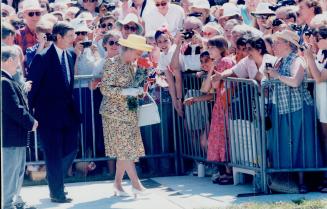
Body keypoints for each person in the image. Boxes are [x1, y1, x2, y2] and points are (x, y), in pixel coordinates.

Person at [27, 21, 81, 203]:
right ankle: (56, 192)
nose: (74, 40)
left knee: (72, 149)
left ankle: (54, 178)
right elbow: (32, 88)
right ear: (58, 37)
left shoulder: (72, 55)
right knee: (53, 154)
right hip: (47, 116)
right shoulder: (42, 57)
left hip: (68, 114)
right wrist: (30, 115)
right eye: (70, 36)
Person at [99, 34, 153, 198]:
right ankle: (136, 185)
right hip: (114, 113)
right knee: (126, 150)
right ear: (129, 49)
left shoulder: (133, 65)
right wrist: (125, 91)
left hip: (129, 113)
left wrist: (139, 91)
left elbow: (134, 89)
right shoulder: (111, 63)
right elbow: (105, 89)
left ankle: (117, 184)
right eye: (137, 53)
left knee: (125, 149)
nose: (138, 57)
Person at [267, 30, 316, 193]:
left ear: (289, 44)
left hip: (298, 109)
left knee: (301, 145)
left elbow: (295, 82)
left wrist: (276, 75)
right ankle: (289, 182)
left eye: (278, 42)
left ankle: (303, 183)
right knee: (287, 146)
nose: (274, 45)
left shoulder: (297, 60)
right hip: (282, 109)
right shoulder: (279, 61)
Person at [2, 46, 38, 209]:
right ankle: (8, 204)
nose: (19, 61)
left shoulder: (9, 80)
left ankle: (15, 200)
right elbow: (14, 108)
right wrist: (31, 122)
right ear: (9, 60)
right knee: (10, 172)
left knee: (17, 171)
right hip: (10, 136)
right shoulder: (4, 82)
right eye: (17, 58)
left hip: (16, 135)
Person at [201, 36, 235, 184]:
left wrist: (213, 68)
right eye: (209, 48)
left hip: (225, 103)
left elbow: (213, 86)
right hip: (220, 103)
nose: (210, 51)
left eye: (212, 48)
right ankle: (224, 171)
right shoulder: (218, 62)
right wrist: (211, 69)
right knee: (220, 138)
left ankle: (228, 172)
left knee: (225, 138)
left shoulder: (225, 62)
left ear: (221, 48)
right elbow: (205, 88)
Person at [303, 19, 327, 193]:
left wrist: (309, 57)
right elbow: (312, 73)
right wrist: (309, 55)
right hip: (321, 101)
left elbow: (319, 78)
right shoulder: (321, 54)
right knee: (323, 140)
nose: (315, 41)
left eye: (318, 38)